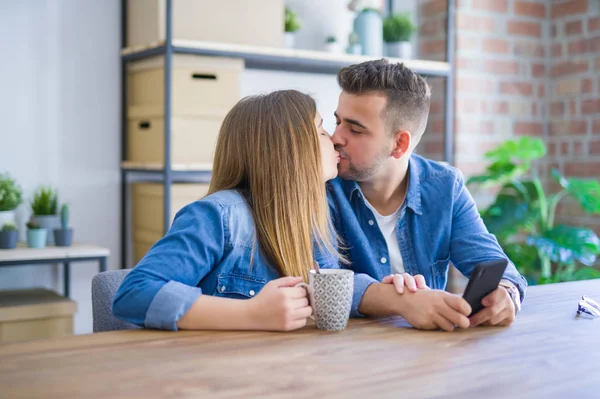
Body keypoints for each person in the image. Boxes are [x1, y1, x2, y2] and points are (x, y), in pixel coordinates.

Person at [112, 89, 421, 332]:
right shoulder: (216, 218)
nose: (334, 140)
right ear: (288, 149)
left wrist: (401, 299)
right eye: (320, 129)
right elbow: (134, 295)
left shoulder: (314, 222)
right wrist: (251, 313)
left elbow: (330, 288)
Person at [327, 59, 528, 332]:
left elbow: (493, 264)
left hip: (430, 354)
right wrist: (401, 301)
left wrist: (507, 293)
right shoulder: (323, 185)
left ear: (400, 144)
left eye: (355, 129)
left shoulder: (446, 186)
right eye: (337, 121)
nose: (335, 137)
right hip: (342, 356)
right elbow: (316, 280)